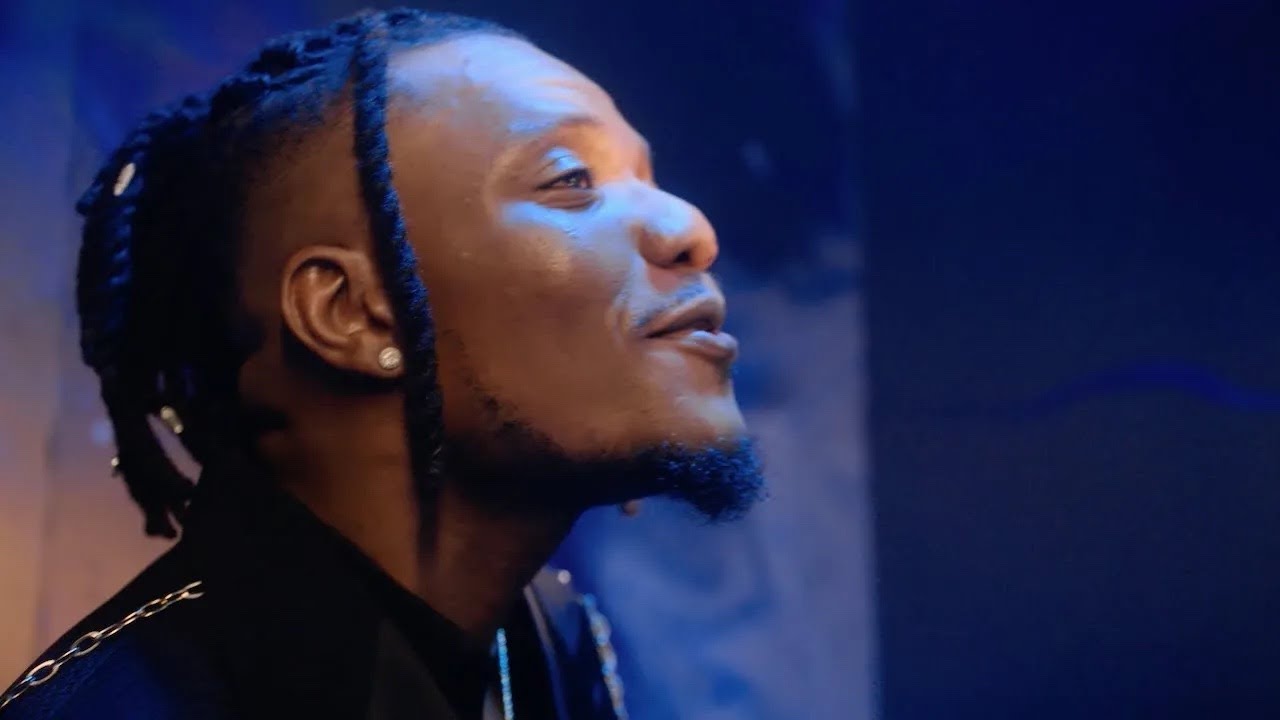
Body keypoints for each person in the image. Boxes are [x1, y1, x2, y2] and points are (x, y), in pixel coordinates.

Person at [1, 7, 764, 719]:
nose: (691, 227)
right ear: (353, 314)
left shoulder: (551, 647)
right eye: (571, 180)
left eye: (647, 178)